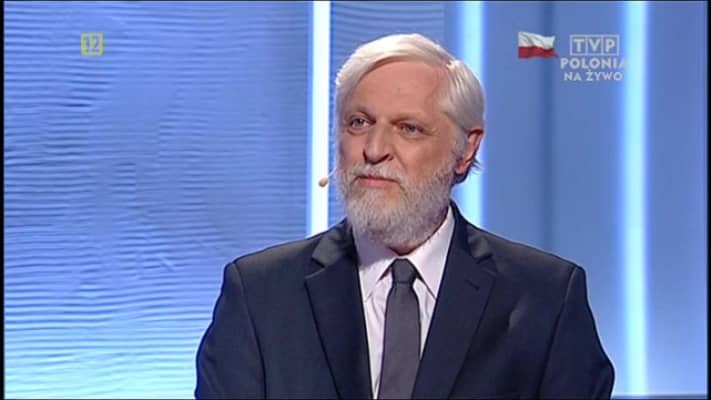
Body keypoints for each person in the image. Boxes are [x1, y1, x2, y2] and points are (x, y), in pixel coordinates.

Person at [195, 33, 614, 399]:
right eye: (359, 122)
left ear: (466, 150)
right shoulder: (258, 296)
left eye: (408, 128)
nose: (374, 149)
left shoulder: (545, 298)